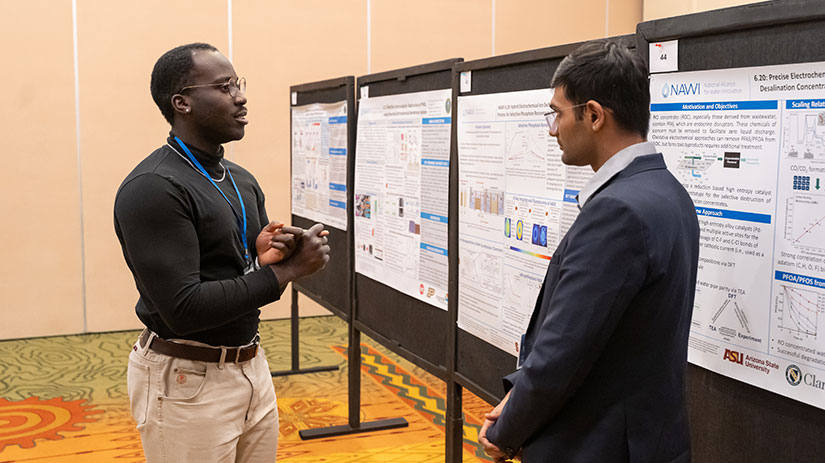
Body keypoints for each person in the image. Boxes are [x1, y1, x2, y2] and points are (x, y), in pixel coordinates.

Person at [478, 40, 700, 462]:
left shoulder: (617, 211)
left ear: (594, 115)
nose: (551, 128)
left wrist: (506, 431)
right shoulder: (670, 193)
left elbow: (564, 352)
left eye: (558, 114)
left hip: (596, 446)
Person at [114, 43, 330, 462]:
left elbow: (233, 272)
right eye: (225, 86)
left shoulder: (241, 180)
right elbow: (185, 308)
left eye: (239, 84)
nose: (241, 96)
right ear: (183, 102)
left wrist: (265, 257)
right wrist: (288, 273)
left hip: (250, 365)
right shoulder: (153, 188)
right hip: (184, 380)